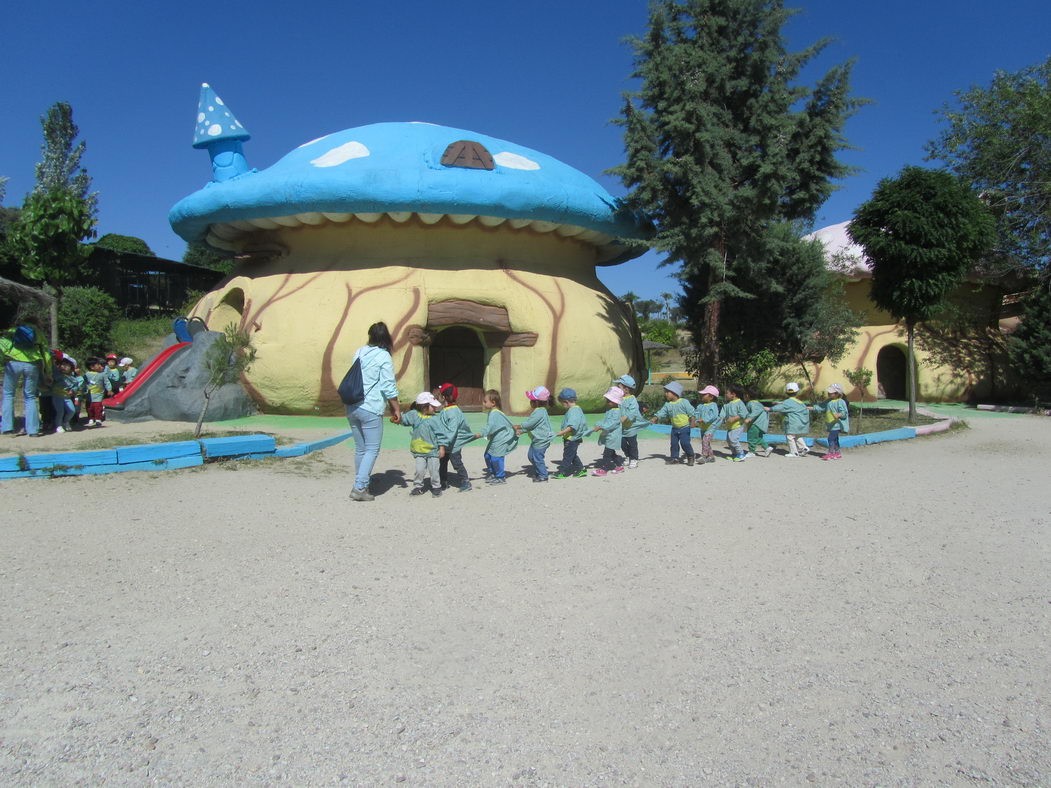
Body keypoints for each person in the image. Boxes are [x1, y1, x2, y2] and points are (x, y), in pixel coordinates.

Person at [346, 322, 401, 501]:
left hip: (352, 405)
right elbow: (388, 386)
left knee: (360, 449)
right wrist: (396, 408)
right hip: (370, 407)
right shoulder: (383, 356)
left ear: (370, 335)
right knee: (371, 449)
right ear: (386, 337)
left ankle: (362, 483)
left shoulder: (359, 351)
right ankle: (360, 487)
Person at [1, 323, 46, 437]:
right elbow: (46, 352)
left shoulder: (13, 330)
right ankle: (33, 430)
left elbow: (2, 343)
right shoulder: (38, 332)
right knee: (30, 397)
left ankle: (7, 428)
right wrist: (48, 371)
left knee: (8, 395)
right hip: (32, 364)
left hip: (13, 363)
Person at [400, 392, 443, 497]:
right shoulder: (414, 415)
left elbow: (441, 434)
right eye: (432, 406)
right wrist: (398, 417)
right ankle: (418, 486)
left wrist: (442, 448)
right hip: (419, 451)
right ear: (424, 406)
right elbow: (405, 420)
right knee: (419, 470)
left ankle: (436, 487)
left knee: (434, 471)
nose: (435, 408)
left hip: (433, 451)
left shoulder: (435, 419)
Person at [434, 383, 475, 492]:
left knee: (456, 462)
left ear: (443, 397)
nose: (438, 397)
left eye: (439, 394)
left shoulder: (453, 412)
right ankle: (443, 481)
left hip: (454, 444)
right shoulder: (446, 410)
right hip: (446, 443)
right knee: (442, 462)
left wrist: (442, 444)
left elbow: (452, 431)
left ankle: (465, 481)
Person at [476, 389, 517, 485]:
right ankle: (493, 472)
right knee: (487, 455)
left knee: (496, 458)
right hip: (495, 439)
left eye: (485, 401)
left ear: (493, 403)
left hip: (500, 440)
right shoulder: (492, 412)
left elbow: (490, 427)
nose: (483, 403)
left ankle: (500, 476)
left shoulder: (495, 413)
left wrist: (481, 433)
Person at [649, 381, 696, 465]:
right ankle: (675, 458)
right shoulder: (668, 405)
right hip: (674, 428)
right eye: (665, 392)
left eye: (667, 392)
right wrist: (656, 417)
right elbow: (662, 412)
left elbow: (691, 412)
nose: (666, 394)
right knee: (674, 444)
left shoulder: (684, 402)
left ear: (674, 392)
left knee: (685, 443)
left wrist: (692, 421)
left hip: (684, 428)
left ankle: (690, 455)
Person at [516, 386, 554, 482]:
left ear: (536, 402)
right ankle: (539, 470)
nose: (530, 402)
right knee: (531, 456)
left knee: (537, 457)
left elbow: (530, 424)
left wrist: (520, 426)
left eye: (531, 400)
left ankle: (543, 475)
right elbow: (533, 426)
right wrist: (523, 431)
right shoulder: (540, 411)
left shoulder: (539, 412)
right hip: (537, 439)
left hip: (541, 440)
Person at [588, 386, 626, 476]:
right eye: (607, 400)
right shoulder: (610, 409)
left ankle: (604, 469)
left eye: (610, 400)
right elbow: (606, 421)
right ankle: (619, 466)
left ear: (615, 402)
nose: (607, 402)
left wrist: (601, 427)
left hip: (613, 436)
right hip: (609, 435)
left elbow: (611, 424)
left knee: (607, 453)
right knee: (612, 453)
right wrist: (598, 424)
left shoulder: (617, 412)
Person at [552, 388, 588, 479]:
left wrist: (561, 432)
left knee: (567, 456)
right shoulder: (577, 409)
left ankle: (562, 472)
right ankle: (581, 469)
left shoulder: (573, 411)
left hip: (572, 438)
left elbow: (572, 426)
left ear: (566, 401)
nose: (562, 405)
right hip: (573, 438)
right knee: (573, 455)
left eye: (562, 403)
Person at [615, 374, 649, 469]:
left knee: (633, 444)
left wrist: (624, 418)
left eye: (619, 386)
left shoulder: (632, 399)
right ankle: (628, 455)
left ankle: (634, 459)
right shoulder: (619, 399)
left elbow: (632, 412)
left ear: (626, 389)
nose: (618, 388)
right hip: (622, 427)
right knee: (622, 443)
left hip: (631, 427)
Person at [768, 381, 810, 457]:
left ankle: (794, 452)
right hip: (800, 423)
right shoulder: (799, 402)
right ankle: (804, 448)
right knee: (797, 436)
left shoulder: (787, 402)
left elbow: (781, 407)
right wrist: (780, 403)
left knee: (790, 437)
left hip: (792, 423)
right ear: (797, 392)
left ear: (786, 392)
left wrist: (770, 409)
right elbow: (790, 405)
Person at [814, 383, 850, 460]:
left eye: (831, 392)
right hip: (831, 423)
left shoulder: (841, 402)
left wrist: (839, 414)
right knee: (835, 439)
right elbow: (821, 407)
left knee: (831, 438)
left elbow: (844, 413)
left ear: (837, 393)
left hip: (837, 424)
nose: (829, 393)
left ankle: (831, 453)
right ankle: (837, 453)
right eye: (829, 392)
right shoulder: (829, 401)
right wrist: (812, 408)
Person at [719, 384, 749, 461]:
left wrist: (734, 418)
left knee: (733, 440)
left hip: (738, 426)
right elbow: (723, 413)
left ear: (733, 394)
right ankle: (734, 454)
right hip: (730, 427)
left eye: (727, 393)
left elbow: (744, 413)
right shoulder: (727, 404)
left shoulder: (739, 403)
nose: (725, 395)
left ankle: (741, 454)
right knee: (729, 440)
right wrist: (720, 419)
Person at [50, 357, 78, 433]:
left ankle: (65, 422)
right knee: (60, 411)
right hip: (57, 396)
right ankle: (58, 425)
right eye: (63, 365)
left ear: (71, 368)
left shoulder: (73, 378)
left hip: (67, 397)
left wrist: (73, 390)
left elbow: (76, 386)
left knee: (72, 411)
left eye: (67, 366)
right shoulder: (57, 374)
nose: (64, 367)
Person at [742, 387, 772, 458]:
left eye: (744, 395)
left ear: (747, 395)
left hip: (755, 424)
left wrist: (749, 418)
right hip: (761, 424)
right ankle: (767, 448)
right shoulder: (758, 403)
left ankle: (751, 452)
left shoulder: (751, 403)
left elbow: (755, 411)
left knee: (751, 438)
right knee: (758, 438)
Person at [83, 357, 112, 427]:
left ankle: (98, 419)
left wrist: (109, 389)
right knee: (90, 407)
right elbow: (83, 383)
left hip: (99, 394)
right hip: (89, 394)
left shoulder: (102, 374)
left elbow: (107, 382)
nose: (100, 366)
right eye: (98, 364)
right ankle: (91, 418)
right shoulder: (87, 375)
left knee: (98, 406)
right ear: (92, 367)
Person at [696, 385, 720, 464]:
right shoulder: (700, 406)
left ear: (711, 397)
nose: (702, 396)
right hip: (703, 427)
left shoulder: (713, 405)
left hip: (710, 427)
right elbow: (696, 413)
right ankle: (711, 457)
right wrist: (694, 419)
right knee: (706, 442)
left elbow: (713, 416)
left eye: (704, 394)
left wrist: (704, 419)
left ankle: (704, 456)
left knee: (705, 441)